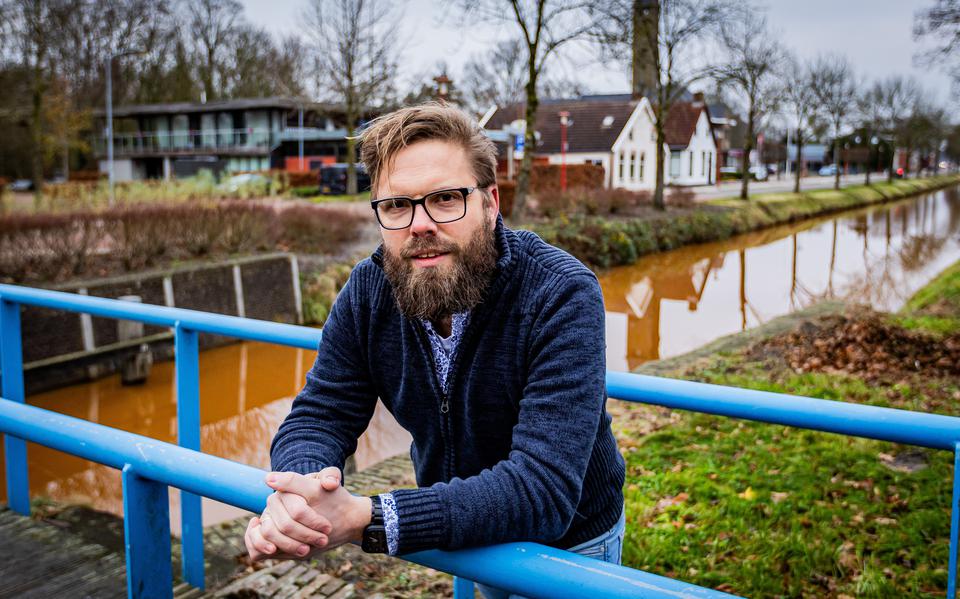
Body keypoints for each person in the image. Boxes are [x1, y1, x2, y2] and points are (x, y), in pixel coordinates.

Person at [243, 103, 626, 591]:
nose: (419, 224)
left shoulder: (559, 292)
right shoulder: (369, 290)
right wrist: (300, 495)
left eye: (445, 198)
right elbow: (322, 412)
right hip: (469, 532)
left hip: (574, 542)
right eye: (398, 205)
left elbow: (543, 489)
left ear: (491, 203)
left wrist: (367, 517)